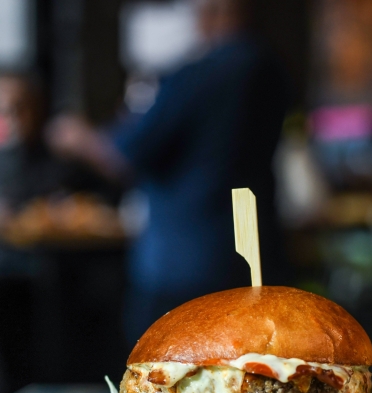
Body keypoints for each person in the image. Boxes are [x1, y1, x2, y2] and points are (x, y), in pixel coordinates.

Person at [47, 0, 289, 343]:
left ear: (212, 10)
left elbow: (123, 154)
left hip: (185, 259)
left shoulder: (199, 75)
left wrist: (76, 135)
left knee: (161, 367)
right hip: (254, 245)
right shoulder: (271, 67)